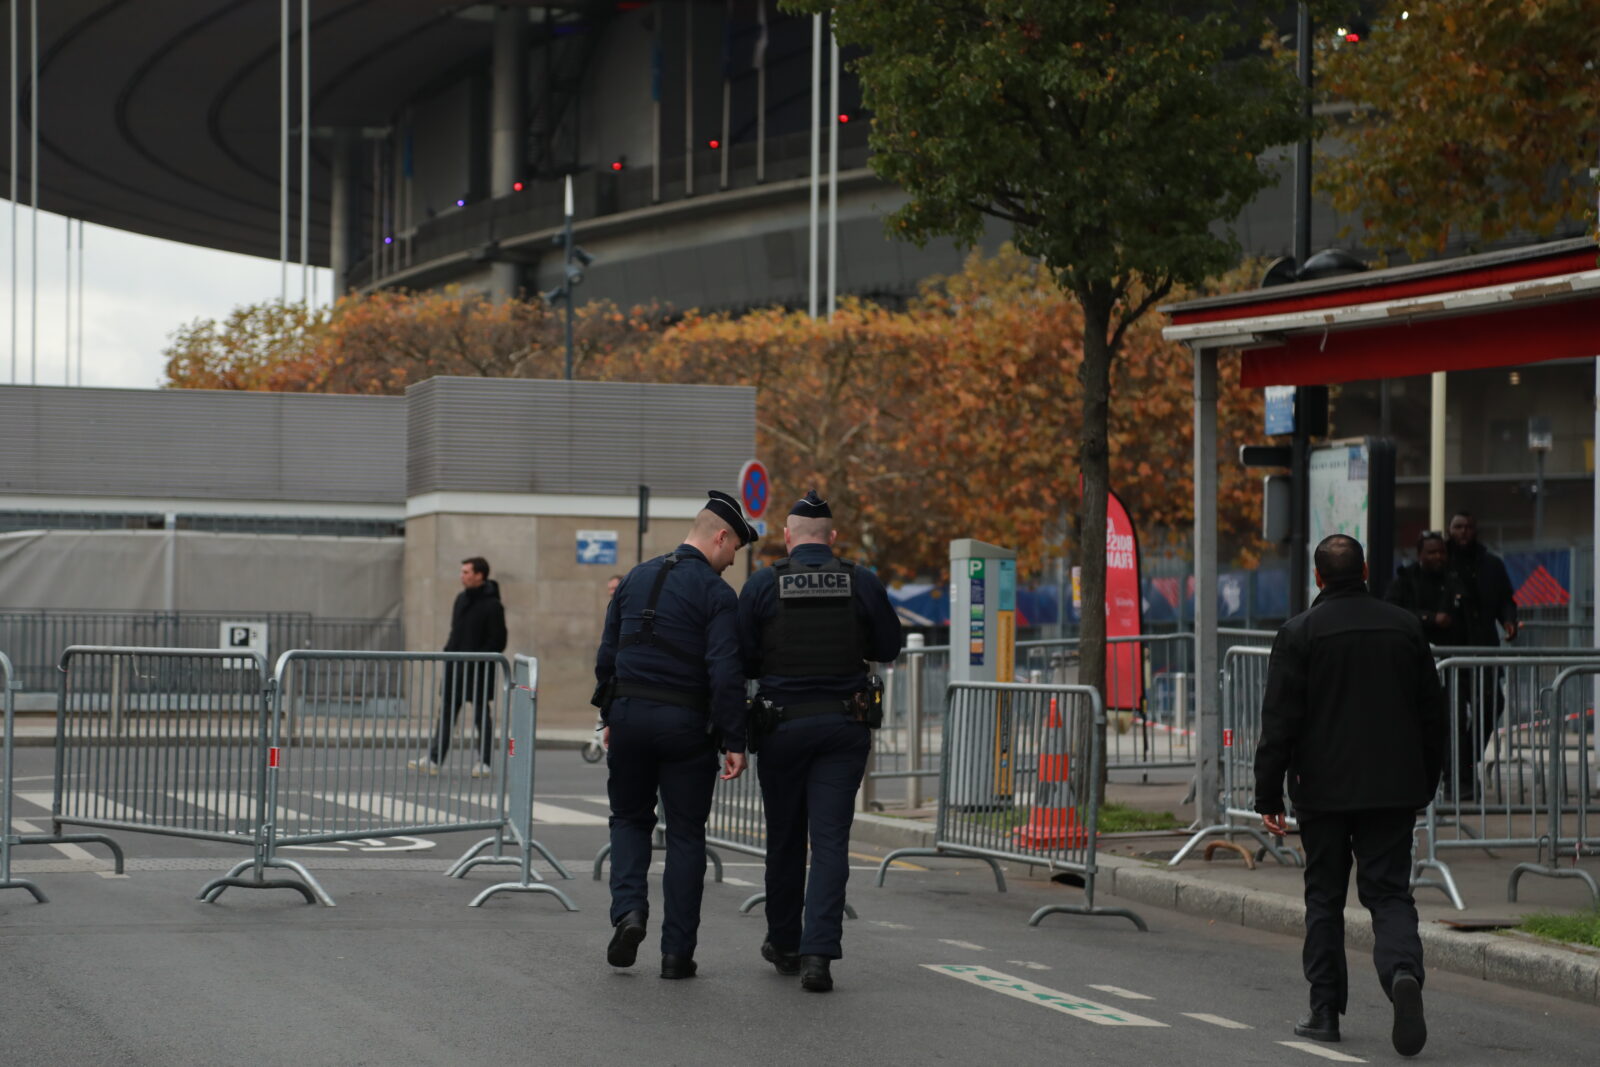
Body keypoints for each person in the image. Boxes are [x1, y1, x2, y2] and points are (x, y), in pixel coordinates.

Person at [1254, 534, 1446, 1057]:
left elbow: (1280, 722)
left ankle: (1323, 1012)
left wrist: (1267, 793)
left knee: (1325, 898)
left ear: (1318, 578)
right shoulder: (1405, 627)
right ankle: (1402, 972)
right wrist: (1425, 780)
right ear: (1365, 570)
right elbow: (1433, 714)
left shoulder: (1299, 633)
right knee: (1388, 894)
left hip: (1322, 792)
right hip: (1391, 789)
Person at [738, 489, 903, 993]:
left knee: (785, 838)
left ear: (787, 538)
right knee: (830, 841)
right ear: (832, 539)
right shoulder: (861, 582)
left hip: (782, 728)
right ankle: (818, 956)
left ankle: (784, 942)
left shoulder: (763, 585)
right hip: (842, 729)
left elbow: (743, 658)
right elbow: (888, 647)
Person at [593, 490, 754, 980]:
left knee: (628, 820)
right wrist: (735, 739)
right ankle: (676, 954)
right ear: (720, 537)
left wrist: (607, 716)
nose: (731, 563)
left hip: (629, 718)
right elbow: (725, 672)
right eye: (733, 551)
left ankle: (629, 913)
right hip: (685, 726)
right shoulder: (716, 593)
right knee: (686, 835)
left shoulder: (636, 577)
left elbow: (608, 652)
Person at [409, 556, 506, 777]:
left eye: (466, 572)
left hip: (479, 670)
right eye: (462, 572)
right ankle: (433, 759)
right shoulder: (461, 599)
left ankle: (485, 762)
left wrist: (475, 658)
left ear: (479, 575)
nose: (461, 576)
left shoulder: (493, 605)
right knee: (446, 715)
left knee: (482, 717)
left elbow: (498, 640)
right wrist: (449, 652)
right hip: (456, 669)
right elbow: (456, 631)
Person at [1446, 510, 1518, 647]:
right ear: (1449, 530)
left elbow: (1505, 600)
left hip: (1484, 639)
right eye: (1458, 527)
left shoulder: (1492, 564)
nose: (1464, 531)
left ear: (1476, 531)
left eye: (1469, 527)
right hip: (1450, 642)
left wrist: (1508, 620)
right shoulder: (1442, 564)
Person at [1386, 531, 1469, 646]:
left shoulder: (1454, 578)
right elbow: (1393, 611)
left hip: (1449, 648)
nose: (1438, 556)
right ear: (1420, 554)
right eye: (1432, 552)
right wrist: (1431, 618)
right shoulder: (1405, 579)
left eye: (1442, 552)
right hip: (1413, 645)